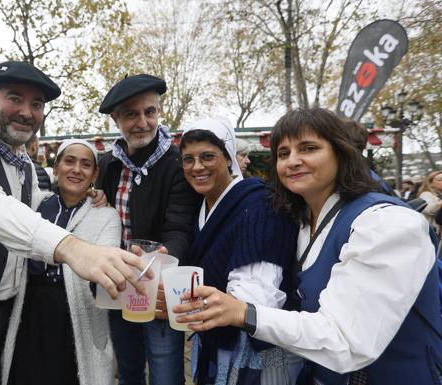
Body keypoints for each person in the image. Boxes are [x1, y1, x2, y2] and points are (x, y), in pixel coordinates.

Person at [0, 61, 148, 385]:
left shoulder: (22, 165)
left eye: (36, 104)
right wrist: (74, 249)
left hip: (3, 315)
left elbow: (40, 208)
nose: (26, 111)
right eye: (15, 98)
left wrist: (92, 195)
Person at [173, 108, 442, 385]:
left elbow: (346, 342)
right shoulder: (301, 221)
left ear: (341, 152)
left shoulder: (386, 223)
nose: (293, 161)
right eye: (283, 153)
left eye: (309, 148)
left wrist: (244, 311)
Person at [97, 74, 200, 385]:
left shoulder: (175, 163)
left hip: (157, 287)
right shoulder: (108, 164)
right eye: (132, 114)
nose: (143, 122)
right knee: (127, 371)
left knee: (165, 374)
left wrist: (165, 258)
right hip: (117, 284)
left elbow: (179, 227)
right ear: (116, 119)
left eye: (150, 112)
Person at [179, 117, 299, 385]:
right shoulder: (202, 206)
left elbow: (258, 297)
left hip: (250, 344)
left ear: (229, 157)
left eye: (207, 156)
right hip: (213, 335)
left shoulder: (260, 205)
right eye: (188, 159)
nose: (197, 167)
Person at [4, 139, 117, 385]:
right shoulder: (34, 205)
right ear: (55, 168)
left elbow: (104, 265)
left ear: (95, 174)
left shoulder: (106, 215)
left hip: (74, 313)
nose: (77, 169)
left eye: (86, 165)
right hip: (29, 310)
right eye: (69, 161)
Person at [418, 170, 442, 235]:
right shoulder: (426, 194)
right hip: (433, 232)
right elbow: (429, 209)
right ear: (431, 183)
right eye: (440, 180)